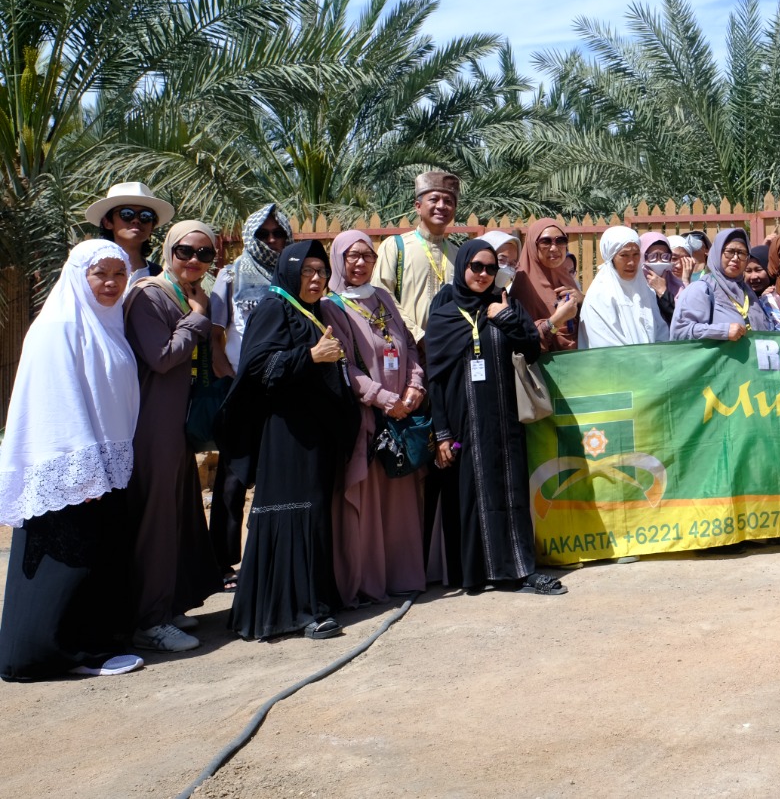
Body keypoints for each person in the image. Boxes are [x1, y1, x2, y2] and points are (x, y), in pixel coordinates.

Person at [0, 241, 143, 681]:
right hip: (72, 466)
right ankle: (47, 655)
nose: (111, 283)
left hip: (103, 465)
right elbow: (54, 401)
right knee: (64, 567)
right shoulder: (59, 325)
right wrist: (81, 474)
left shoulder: (106, 322)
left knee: (94, 563)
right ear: (78, 276)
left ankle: (87, 647)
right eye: (101, 274)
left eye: (119, 274)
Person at [224, 240, 360, 640]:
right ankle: (297, 613)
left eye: (321, 271)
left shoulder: (311, 310)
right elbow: (258, 368)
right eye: (307, 271)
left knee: (311, 514)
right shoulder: (274, 307)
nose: (316, 279)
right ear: (288, 272)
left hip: (313, 430)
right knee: (292, 513)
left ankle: (313, 602)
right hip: (286, 433)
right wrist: (311, 356)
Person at [426, 240, 575, 594]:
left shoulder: (505, 304)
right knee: (470, 494)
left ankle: (518, 570)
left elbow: (531, 349)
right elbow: (436, 377)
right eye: (476, 267)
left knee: (510, 490)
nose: (483, 274)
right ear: (463, 267)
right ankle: (476, 574)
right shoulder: (444, 313)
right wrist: (442, 433)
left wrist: (506, 318)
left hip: (505, 418)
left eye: (491, 268)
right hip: (463, 421)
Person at [124, 221, 223, 653]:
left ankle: (171, 602)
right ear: (168, 250)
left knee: (181, 513)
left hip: (177, 422)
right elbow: (161, 357)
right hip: (153, 423)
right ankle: (150, 620)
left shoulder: (188, 293)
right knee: (157, 520)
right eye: (186, 251)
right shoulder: (148, 295)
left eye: (205, 254)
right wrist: (198, 318)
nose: (195, 260)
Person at [324, 230, 426, 607]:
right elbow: (343, 366)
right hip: (367, 420)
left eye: (367, 255)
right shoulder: (332, 306)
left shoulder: (382, 297)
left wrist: (415, 385)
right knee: (366, 501)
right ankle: (368, 583)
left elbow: (408, 345)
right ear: (338, 260)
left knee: (398, 499)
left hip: (400, 417)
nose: (360, 263)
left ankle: (402, 576)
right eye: (351, 256)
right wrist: (384, 400)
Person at [207, 203, 292, 574]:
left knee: (277, 474)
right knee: (233, 478)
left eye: (278, 233)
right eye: (263, 234)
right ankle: (223, 561)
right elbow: (216, 334)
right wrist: (227, 374)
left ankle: (269, 558)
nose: (272, 240)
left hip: (284, 387)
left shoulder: (292, 274)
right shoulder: (231, 275)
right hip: (242, 386)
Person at [375, 171, 460, 343]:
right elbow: (381, 295)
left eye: (448, 201)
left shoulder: (457, 254)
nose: (441, 206)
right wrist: (418, 336)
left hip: (449, 346)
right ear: (418, 206)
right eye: (434, 199)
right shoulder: (396, 246)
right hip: (407, 344)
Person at [670, 229, 778, 339]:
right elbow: (680, 332)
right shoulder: (701, 289)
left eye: (741, 253)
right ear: (717, 253)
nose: (735, 258)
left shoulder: (748, 292)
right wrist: (722, 331)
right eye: (730, 252)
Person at [578, 226, 668, 348]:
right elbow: (605, 344)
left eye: (636, 254)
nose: (631, 262)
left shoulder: (646, 291)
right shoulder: (599, 295)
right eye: (624, 255)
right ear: (611, 257)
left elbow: (661, 331)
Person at [510, 218, 582, 351]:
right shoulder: (524, 287)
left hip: (578, 359)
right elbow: (523, 341)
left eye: (560, 241)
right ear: (533, 245)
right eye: (545, 242)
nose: (554, 248)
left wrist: (582, 300)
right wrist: (557, 320)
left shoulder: (566, 278)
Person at [84, 181, 173, 281]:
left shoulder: (159, 274)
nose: (136, 220)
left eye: (145, 215)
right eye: (127, 213)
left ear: (152, 225)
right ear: (107, 222)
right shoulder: (90, 269)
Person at [640, 232, 685, 325]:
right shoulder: (633, 286)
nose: (659, 261)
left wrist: (663, 292)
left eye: (665, 257)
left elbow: (682, 320)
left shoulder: (678, 286)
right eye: (653, 256)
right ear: (642, 257)